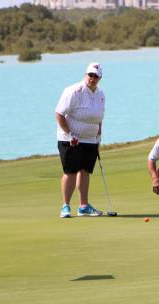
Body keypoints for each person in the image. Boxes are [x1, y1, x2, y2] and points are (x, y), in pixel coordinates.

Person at [55, 62, 105, 218]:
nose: (92, 78)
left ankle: (83, 207)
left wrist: (98, 137)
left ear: (100, 78)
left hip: (90, 139)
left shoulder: (100, 94)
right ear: (85, 75)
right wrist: (69, 134)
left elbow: (99, 118)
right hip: (71, 139)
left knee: (85, 172)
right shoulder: (74, 91)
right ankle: (65, 207)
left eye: (96, 76)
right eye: (90, 75)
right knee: (70, 172)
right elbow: (59, 114)